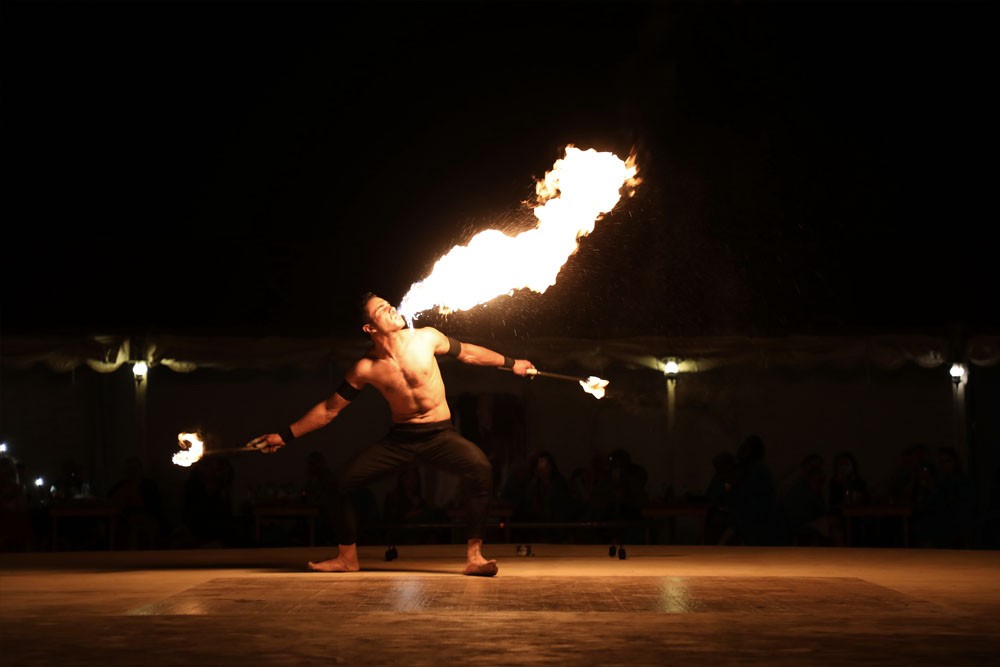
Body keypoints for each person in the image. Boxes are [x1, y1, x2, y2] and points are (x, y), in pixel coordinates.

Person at [250, 292, 535, 576]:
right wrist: (284, 436)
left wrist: (512, 364)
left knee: (481, 468)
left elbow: (470, 353)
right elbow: (329, 409)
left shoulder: (425, 338)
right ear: (370, 329)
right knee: (336, 484)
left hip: (439, 435)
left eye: (390, 305)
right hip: (401, 440)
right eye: (382, 310)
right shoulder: (366, 368)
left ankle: (475, 557)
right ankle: (347, 558)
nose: (391, 310)